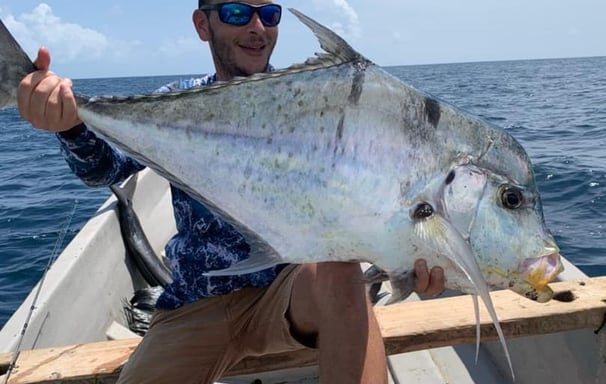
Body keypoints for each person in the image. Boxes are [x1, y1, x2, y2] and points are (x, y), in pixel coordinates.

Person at [17, 1, 445, 383]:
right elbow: (104, 169)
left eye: (269, 14)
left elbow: (369, 206)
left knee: (338, 268)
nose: (257, 26)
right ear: (203, 25)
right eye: (238, 13)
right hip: (195, 302)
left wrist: (408, 257)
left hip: (292, 297)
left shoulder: (316, 105)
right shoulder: (177, 101)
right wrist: (70, 125)